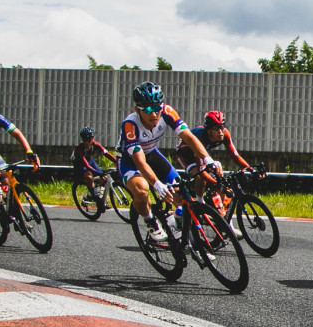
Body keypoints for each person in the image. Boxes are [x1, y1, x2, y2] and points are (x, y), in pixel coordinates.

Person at [118, 81, 215, 246]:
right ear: (137, 110)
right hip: (130, 161)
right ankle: (150, 222)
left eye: (157, 108)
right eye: (148, 110)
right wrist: (156, 184)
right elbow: (140, 161)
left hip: (152, 154)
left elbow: (189, 137)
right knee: (142, 190)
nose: (154, 114)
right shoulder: (130, 124)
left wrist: (208, 159)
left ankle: (181, 228)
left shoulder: (167, 112)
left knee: (181, 194)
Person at [174, 110, 259, 198]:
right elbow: (201, 171)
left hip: (202, 154)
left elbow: (235, 156)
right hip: (184, 155)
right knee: (200, 177)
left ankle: (219, 208)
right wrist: (218, 185)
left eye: (221, 127)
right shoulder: (200, 138)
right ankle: (200, 204)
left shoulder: (225, 134)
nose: (220, 131)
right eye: (216, 128)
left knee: (219, 174)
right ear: (208, 130)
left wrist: (252, 170)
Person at [71, 126, 117, 207]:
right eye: (85, 140)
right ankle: (94, 196)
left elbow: (106, 153)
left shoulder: (96, 144)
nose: (87, 143)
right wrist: (98, 173)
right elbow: (87, 166)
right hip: (80, 164)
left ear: (93, 138)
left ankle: (98, 197)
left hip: (89, 161)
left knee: (103, 179)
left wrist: (117, 162)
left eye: (89, 140)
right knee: (89, 176)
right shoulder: (79, 149)